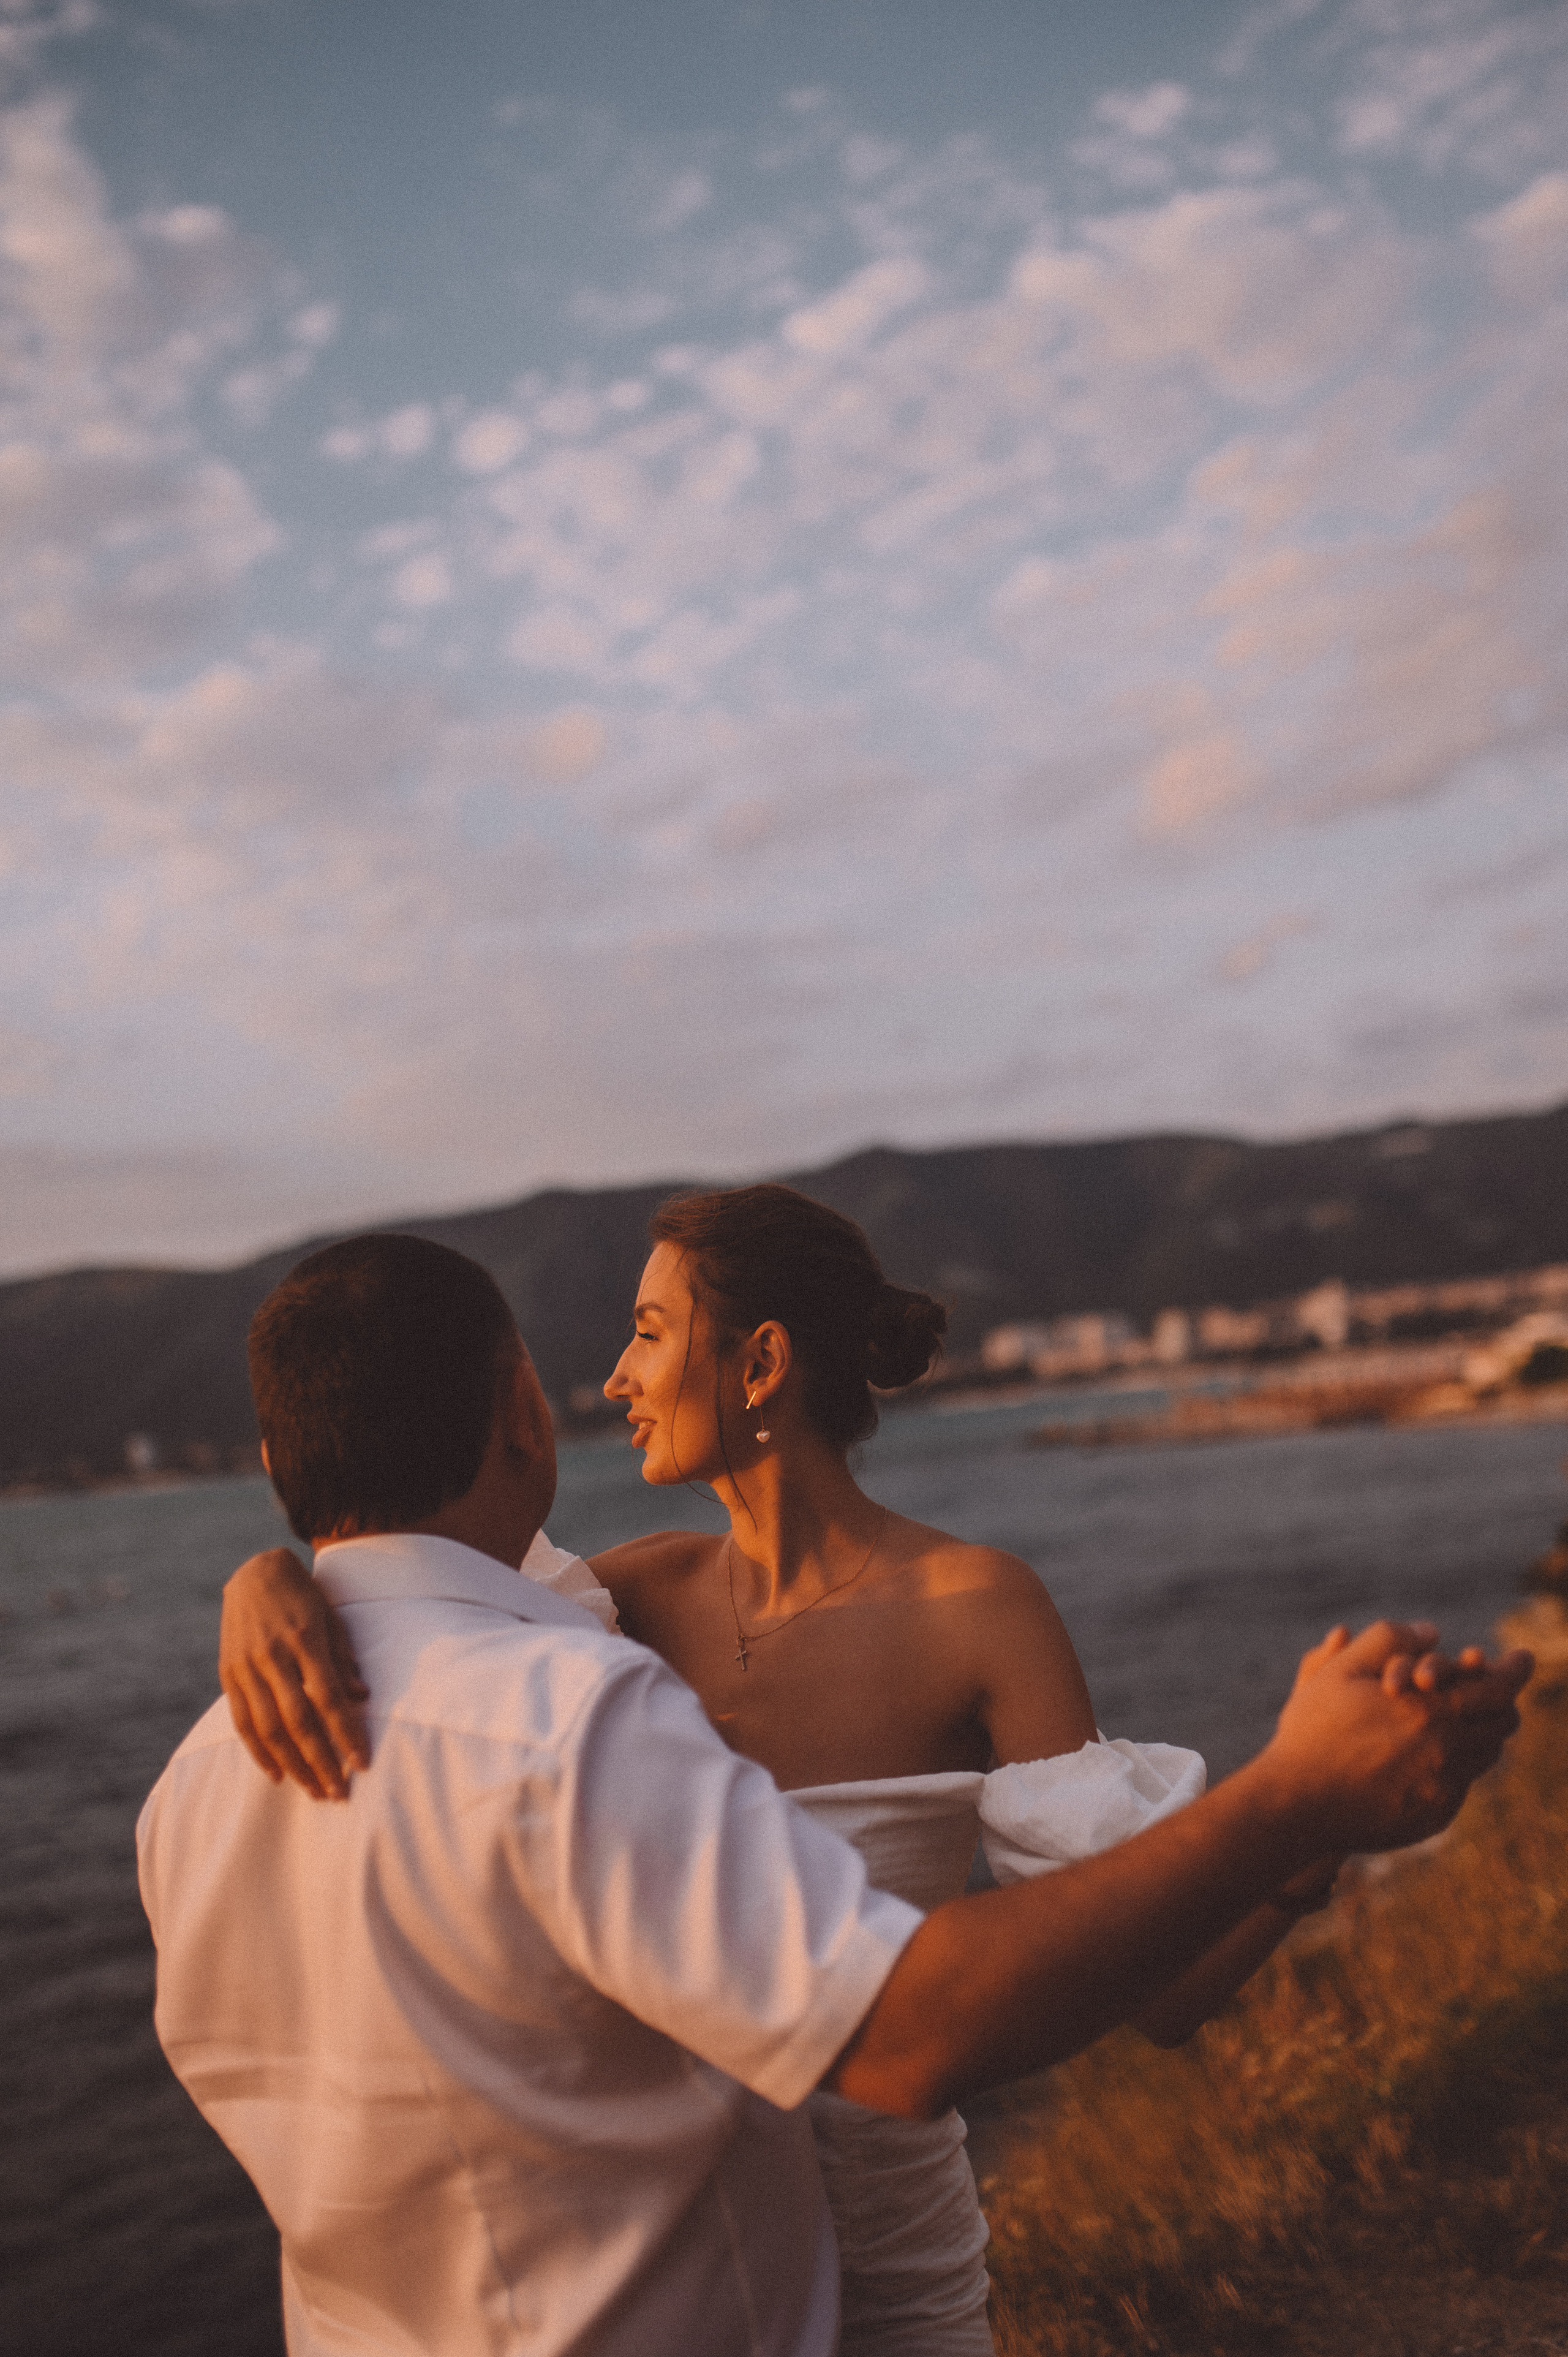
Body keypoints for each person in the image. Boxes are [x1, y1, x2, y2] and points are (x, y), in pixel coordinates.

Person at [220, 1190, 1518, 2355]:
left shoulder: (976, 1606)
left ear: (762, 1359)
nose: (612, 1376)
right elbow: (408, 1587)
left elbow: (1165, 1993)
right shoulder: (614, 1600)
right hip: (666, 2282)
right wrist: (267, 1581)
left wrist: (1321, 1828)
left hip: (889, 2270)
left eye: (650, 1332)